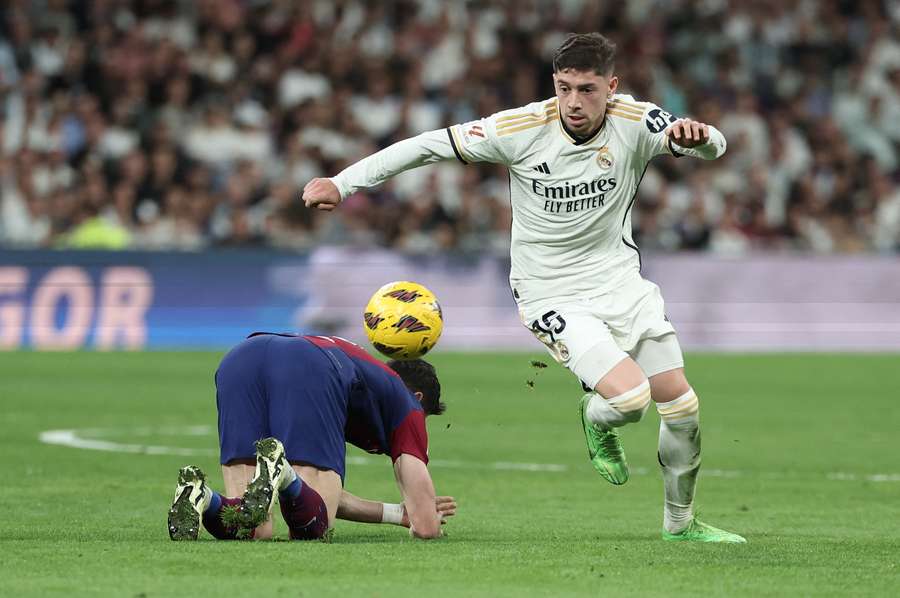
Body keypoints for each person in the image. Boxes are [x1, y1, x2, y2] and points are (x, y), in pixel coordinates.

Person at [302, 33, 744, 543]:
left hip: (622, 282)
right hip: (549, 290)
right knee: (631, 401)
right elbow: (426, 146)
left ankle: (680, 525)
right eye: (564, 88)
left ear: (612, 87)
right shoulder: (520, 128)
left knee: (683, 406)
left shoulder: (636, 121)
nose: (574, 103)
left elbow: (714, 143)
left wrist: (701, 138)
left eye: (587, 89)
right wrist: (343, 182)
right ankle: (596, 416)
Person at [167, 332, 455, 541]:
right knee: (315, 528)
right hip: (310, 365)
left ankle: (201, 497)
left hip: (241, 357)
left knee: (252, 526)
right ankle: (286, 475)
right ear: (419, 398)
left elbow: (322, 492)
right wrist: (424, 515)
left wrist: (396, 513)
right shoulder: (409, 406)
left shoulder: (368, 380)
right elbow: (427, 527)